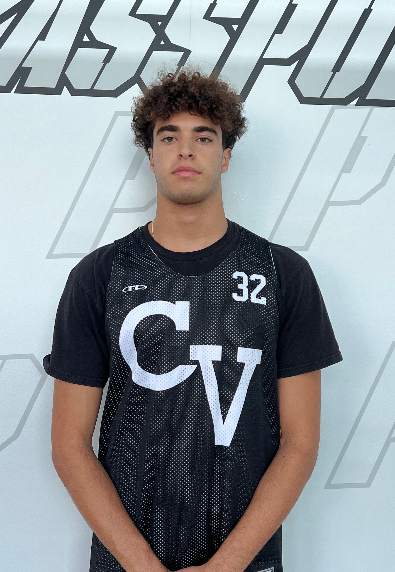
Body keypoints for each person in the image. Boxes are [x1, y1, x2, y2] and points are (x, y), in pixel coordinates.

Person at [44, 69, 342, 572]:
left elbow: (301, 443)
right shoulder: (99, 275)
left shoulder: (283, 273)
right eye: (169, 137)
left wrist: (227, 566)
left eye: (204, 137)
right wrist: (143, 566)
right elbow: (69, 446)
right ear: (150, 155)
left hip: (246, 562)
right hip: (128, 561)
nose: (185, 150)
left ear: (225, 156)